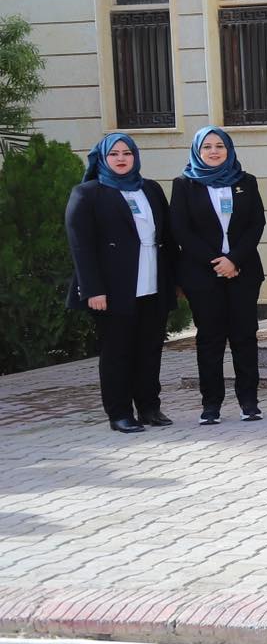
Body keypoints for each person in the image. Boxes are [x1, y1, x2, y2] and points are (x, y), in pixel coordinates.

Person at [65, 134, 175, 433]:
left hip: (152, 282)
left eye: (127, 153)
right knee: (117, 352)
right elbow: (81, 247)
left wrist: (174, 281)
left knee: (149, 350)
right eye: (114, 154)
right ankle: (119, 413)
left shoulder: (150, 189)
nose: (121, 158)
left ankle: (149, 408)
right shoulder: (88, 193)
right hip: (113, 289)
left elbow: (167, 237)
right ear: (102, 158)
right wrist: (93, 289)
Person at [168, 125, 266, 424]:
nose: (214, 151)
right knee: (209, 340)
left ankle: (249, 402)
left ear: (229, 150)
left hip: (243, 272)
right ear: (197, 151)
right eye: (207, 147)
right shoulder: (184, 184)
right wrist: (217, 262)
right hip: (202, 275)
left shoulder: (246, 182)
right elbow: (181, 230)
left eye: (219, 146)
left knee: (244, 337)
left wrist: (233, 260)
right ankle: (211, 405)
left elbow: (257, 224)